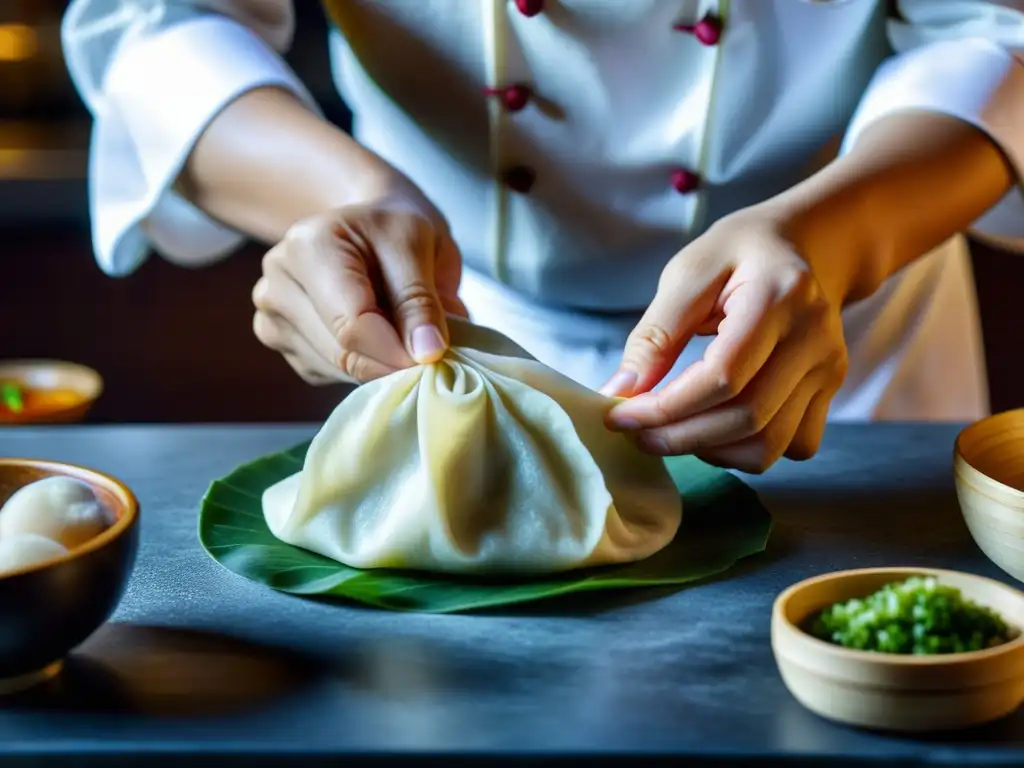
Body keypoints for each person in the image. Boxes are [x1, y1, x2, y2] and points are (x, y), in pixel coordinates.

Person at [62, 0, 1023, 473]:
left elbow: (992, 24)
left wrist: (835, 237)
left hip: (844, 331)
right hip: (452, 328)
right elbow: (158, 23)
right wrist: (342, 195)